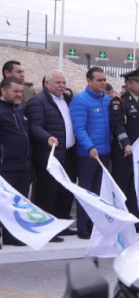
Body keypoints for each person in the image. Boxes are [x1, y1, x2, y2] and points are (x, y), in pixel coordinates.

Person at [26, 70, 75, 239]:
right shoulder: (37, 102)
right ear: (47, 83)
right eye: (58, 82)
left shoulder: (67, 100)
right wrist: (47, 137)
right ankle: (45, 229)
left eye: (64, 82)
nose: (62, 86)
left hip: (68, 154)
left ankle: (61, 225)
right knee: (47, 192)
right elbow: (34, 126)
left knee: (65, 192)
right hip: (48, 155)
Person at [109, 68, 139, 230]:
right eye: (138, 82)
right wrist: (125, 143)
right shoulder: (119, 102)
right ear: (128, 84)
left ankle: (137, 219)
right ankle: (122, 220)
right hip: (126, 152)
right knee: (124, 185)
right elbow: (118, 125)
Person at [70, 67, 111, 239]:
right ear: (89, 81)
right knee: (86, 191)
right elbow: (79, 128)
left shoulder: (107, 99)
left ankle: (95, 224)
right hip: (88, 154)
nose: (103, 83)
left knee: (98, 191)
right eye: (99, 80)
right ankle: (83, 226)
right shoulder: (80, 100)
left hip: (105, 152)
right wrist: (89, 147)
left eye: (104, 80)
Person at [0, 78, 32, 246]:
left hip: (23, 166)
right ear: (3, 91)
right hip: (5, 167)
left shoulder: (19, 109)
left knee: (17, 205)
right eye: (15, 91)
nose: (19, 94)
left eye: (21, 91)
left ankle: (12, 236)